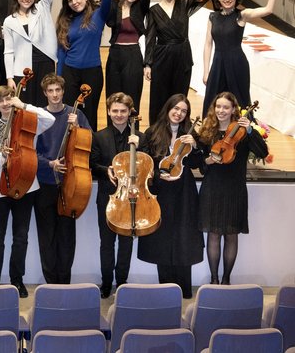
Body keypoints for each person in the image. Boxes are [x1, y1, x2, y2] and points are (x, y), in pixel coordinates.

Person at [0, 85, 55, 297]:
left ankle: (17, 280)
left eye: (9, 99)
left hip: (26, 187)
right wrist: (3, 156)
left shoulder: (28, 122)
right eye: (1, 101)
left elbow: (49, 119)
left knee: (20, 238)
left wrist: (24, 105)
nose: (5, 104)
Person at [196, 92, 268, 285]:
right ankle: (213, 280)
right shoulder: (207, 131)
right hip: (212, 187)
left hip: (234, 188)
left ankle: (226, 280)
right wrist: (208, 160)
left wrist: (251, 131)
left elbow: (263, 152)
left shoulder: (243, 133)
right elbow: (199, 164)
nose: (221, 111)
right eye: (218, 106)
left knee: (231, 235)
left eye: (226, 107)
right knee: (213, 234)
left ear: (234, 109)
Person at [138, 94, 203, 298]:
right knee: (162, 239)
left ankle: (184, 290)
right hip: (161, 190)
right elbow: (145, 162)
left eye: (183, 111)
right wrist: (158, 175)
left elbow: (195, 165)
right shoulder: (152, 132)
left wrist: (195, 146)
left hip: (184, 191)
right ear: (168, 109)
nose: (179, 113)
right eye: (176, 108)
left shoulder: (191, 134)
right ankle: (165, 289)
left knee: (184, 238)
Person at [32, 73, 91, 285]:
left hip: (70, 183)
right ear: (45, 93)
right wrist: (49, 163)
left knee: (67, 236)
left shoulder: (75, 115)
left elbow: (88, 143)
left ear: (63, 91)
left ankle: (64, 282)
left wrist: (79, 127)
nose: (55, 94)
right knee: (46, 236)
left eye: (58, 90)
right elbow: (30, 151)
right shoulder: (39, 117)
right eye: (51, 91)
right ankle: (51, 283)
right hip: (45, 183)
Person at [202, 0, 285, 114]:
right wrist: (205, 71)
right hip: (217, 63)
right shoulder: (213, 17)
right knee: (212, 100)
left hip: (237, 63)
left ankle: (241, 133)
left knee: (240, 101)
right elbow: (208, 45)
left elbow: (268, 10)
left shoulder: (242, 15)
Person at [89, 92, 143, 298]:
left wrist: (138, 148)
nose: (119, 115)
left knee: (127, 242)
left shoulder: (140, 137)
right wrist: (106, 170)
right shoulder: (99, 136)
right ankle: (105, 282)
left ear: (130, 113)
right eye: (115, 111)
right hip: (108, 196)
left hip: (132, 197)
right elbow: (91, 164)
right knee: (107, 242)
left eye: (123, 111)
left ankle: (122, 281)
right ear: (109, 112)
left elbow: (146, 166)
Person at [144, 0, 206, 125]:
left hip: (182, 56)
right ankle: (157, 133)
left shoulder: (185, 4)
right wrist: (148, 64)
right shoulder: (153, 10)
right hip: (162, 57)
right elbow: (150, 38)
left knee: (180, 97)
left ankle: (179, 132)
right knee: (160, 96)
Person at [55, 0, 111, 130]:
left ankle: (89, 151)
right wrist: (59, 79)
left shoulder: (98, 15)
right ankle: (69, 150)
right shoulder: (65, 21)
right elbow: (61, 52)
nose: (74, 2)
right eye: (70, 0)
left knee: (89, 115)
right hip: (69, 72)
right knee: (70, 115)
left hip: (92, 73)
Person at [3, 0, 56, 107]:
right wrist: (9, 77)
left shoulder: (42, 9)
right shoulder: (9, 21)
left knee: (45, 104)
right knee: (25, 106)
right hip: (22, 68)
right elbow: (8, 51)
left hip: (45, 64)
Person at [105, 0, 151, 112]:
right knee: (113, 98)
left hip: (133, 55)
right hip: (115, 54)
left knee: (131, 99)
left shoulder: (140, 8)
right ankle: (113, 133)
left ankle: (132, 134)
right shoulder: (117, 5)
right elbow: (110, 22)